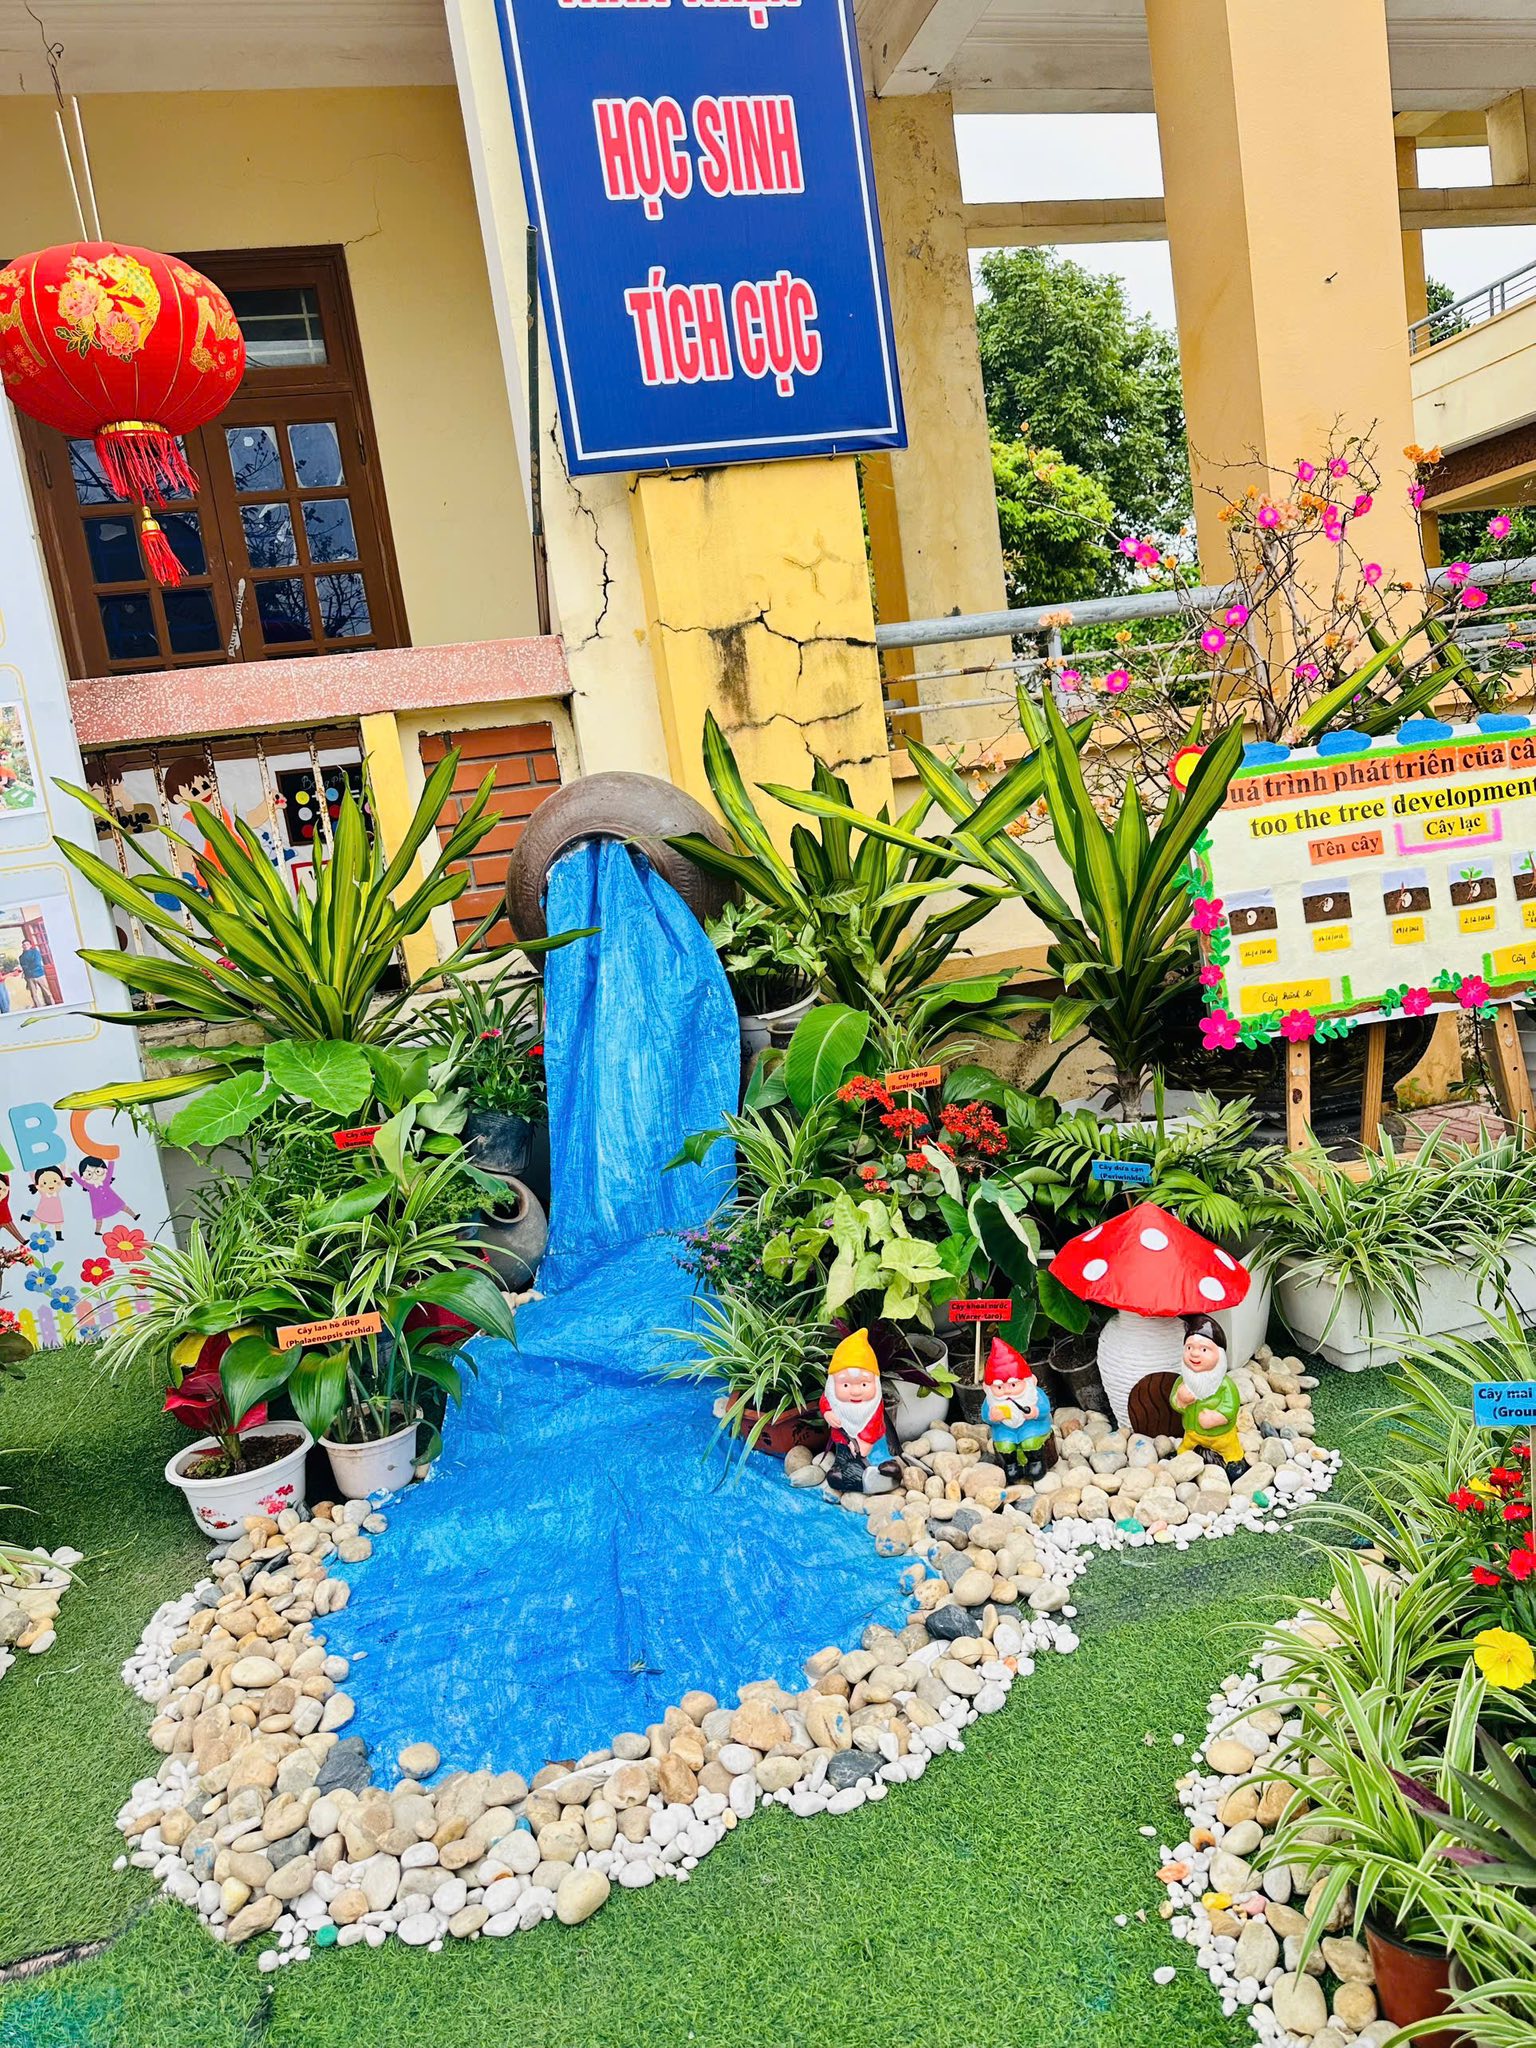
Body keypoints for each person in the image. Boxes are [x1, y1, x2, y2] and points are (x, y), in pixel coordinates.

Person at [819, 1328, 901, 1495]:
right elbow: (825, 1402)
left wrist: (866, 1441)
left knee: (879, 1458)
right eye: (846, 1385)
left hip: (873, 1445)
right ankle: (856, 1477)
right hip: (844, 1443)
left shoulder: (873, 1405)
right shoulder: (832, 1398)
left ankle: (881, 1470)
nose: (855, 1392)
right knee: (840, 1468)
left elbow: (874, 1423)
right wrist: (827, 1413)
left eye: (864, 1384)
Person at [1170, 1314, 1248, 1479]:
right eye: (1189, 1348)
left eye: (1204, 1349)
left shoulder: (1225, 1385)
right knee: (1186, 1446)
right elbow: (1174, 1402)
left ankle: (1235, 1460)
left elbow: (1231, 1406)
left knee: (1230, 1447)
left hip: (1221, 1435)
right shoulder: (1183, 1382)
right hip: (1191, 1431)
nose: (1194, 1354)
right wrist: (1180, 1400)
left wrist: (1217, 1417)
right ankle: (1182, 1458)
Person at [980, 1335, 1054, 1483]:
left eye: (1013, 1385)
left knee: (1030, 1442)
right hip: (1005, 1430)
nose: (1007, 1391)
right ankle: (1011, 1466)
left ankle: (1036, 1463)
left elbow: (1045, 1407)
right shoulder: (992, 1401)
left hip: (1031, 1427)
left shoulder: (1033, 1394)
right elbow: (985, 1415)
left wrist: (1035, 1412)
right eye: (999, 1387)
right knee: (1005, 1445)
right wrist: (992, 1416)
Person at [77, 1155, 139, 1237]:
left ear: (104, 1170)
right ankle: (97, 1231)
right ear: (83, 1177)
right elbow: (80, 1182)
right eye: (89, 1174)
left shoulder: (105, 1181)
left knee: (124, 1207)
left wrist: (111, 1160)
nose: (94, 1176)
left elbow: (110, 1171)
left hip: (113, 1200)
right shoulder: (90, 1186)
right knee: (99, 1219)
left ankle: (134, 1216)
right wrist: (72, 1173)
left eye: (97, 1171)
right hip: (99, 1205)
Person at [19, 941, 52, 1005]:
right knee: (34, 995)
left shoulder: (35, 952)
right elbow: (23, 966)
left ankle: (52, 1005)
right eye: (24, 945)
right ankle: (38, 1007)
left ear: (30, 945)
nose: (25, 946)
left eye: (27, 944)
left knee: (47, 992)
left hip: (40, 975)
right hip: (29, 977)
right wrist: (26, 968)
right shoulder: (21, 957)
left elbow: (37, 963)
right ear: (22, 946)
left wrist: (27, 967)